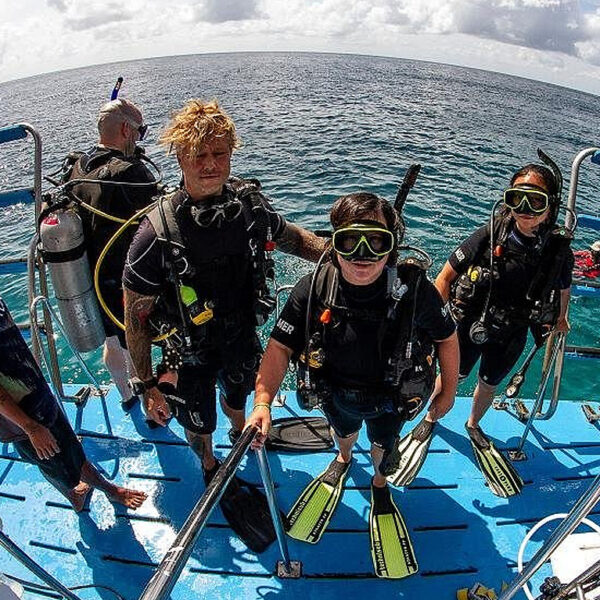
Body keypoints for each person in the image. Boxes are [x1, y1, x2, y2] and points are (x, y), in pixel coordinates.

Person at [122, 99, 325, 551]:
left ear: (231, 153)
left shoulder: (249, 209)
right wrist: (147, 385)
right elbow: (135, 320)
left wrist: (343, 256)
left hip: (239, 335)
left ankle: (242, 433)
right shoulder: (155, 234)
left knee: (238, 395)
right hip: (187, 351)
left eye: (220, 153)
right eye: (199, 155)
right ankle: (212, 464)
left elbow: (294, 239)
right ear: (180, 158)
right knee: (198, 420)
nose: (211, 164)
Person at [246, 192, 458, 578]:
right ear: (334, 242)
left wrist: (448, 390)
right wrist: (262, 402)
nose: (363, 253)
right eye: (350, 240)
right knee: (343, 434)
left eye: (377, 241)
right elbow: (279, 346)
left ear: (392, 243)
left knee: (382, 448)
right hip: (335, 394)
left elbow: (447, 335)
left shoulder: (414, 290)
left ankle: (379, 483)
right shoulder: (312, 289)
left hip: (392, 399)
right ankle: (343, 460)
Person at [434, 156, 573, 498]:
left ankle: (473, 425)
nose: (524, 209)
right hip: (471, 324)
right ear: (507, 200)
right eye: (517, 199)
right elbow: (445, 277)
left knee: (490, 382)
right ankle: (431, 419)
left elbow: (564, 285)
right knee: (454, 376)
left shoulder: (559, 250)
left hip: (512, 332)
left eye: (535, 202)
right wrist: (438, 326)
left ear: (550, 207)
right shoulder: (490, 234)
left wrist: (561, 317)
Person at [0, 297, 147, 512]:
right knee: (58, 459)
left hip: (36, 396)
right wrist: (30, 427)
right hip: (23, 416)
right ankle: (102, 492)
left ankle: (79, 494)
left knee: (60, 453)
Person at [64, 98, 157, 409]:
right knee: (136, 340)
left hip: (86, 277)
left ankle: (126, 395)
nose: (141, 139)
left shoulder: (77, 166)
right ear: (125, 130)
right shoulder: (130, 171)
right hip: (123, 278)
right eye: (140, 132)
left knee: (112, 340)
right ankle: (149, 404)